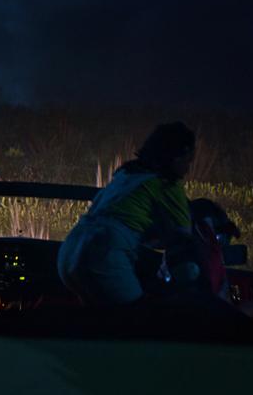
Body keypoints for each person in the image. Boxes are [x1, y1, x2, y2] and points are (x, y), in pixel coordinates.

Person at [57, 122, 197, 306]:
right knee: (136, 320)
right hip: (106, 254)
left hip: (70, 250)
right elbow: (182, 235)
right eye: (188, 160)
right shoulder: (167, 184)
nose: (187, 169)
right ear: (178, 157)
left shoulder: (126, 175)